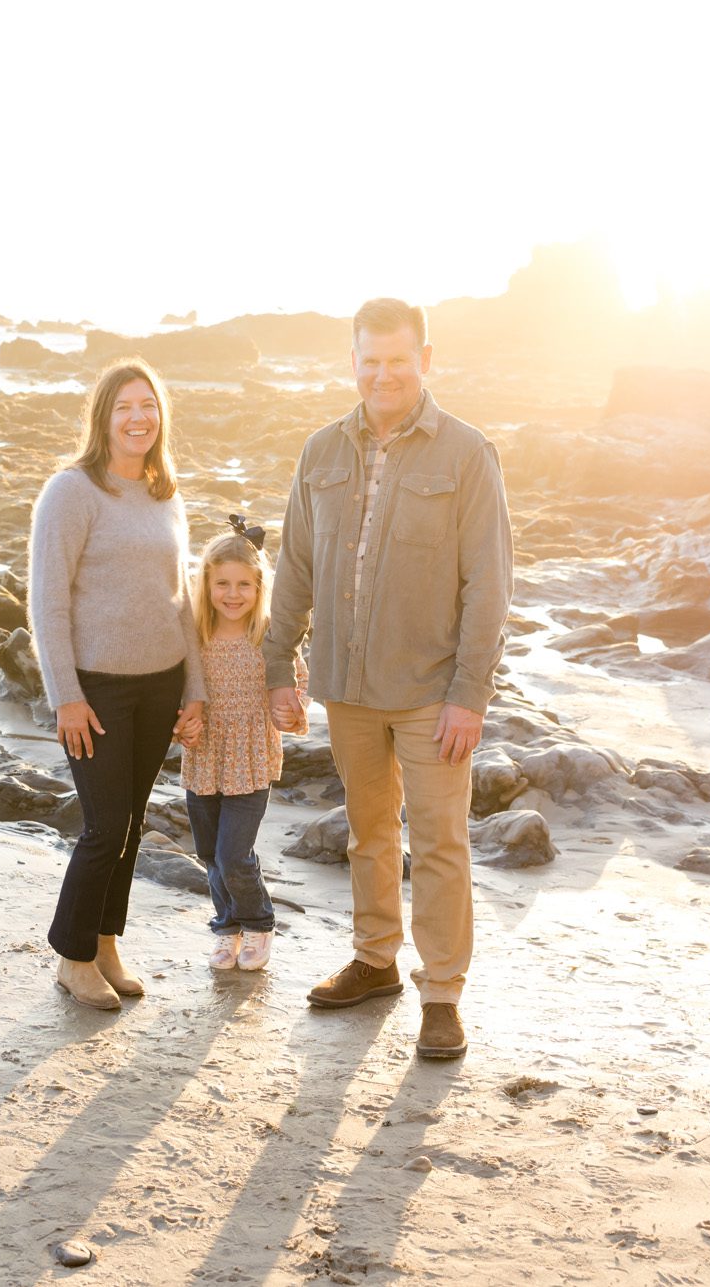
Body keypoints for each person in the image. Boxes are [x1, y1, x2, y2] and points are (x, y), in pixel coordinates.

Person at [263, 297, 513, 1059]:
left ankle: (442, 991)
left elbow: (489, 582)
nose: (383, 374)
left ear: (425, 360)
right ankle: (376, 960)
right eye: (369, 360)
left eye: (398, 360)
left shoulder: (468, 454)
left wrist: (471, 692)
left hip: (434, 692)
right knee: (368, 833)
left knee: (439, 842)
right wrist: (279, 663)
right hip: (348, 685)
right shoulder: (321, 452)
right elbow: (297, 566)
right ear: (354, 363)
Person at [28, 359, 207, 1010]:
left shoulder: (167, 495)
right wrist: (65, 695)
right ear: (104, 417)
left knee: (131, 825)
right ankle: (72, 956)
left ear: (162, 416)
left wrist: (197, 689)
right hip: (96, 691)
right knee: (104, 826)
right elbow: (47, 601)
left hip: (159, 685)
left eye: (149, 405)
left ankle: (104, 941)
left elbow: (181, 598)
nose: (138, 417)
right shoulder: (72, 491)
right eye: (125, 406)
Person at [181, 517, 306, 972]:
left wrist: (289, 712)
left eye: (244, 586)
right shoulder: (194, 636)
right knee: (209, 853)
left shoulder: (269, 636)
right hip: (204, 757)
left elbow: (295, 686)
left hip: (251, 759)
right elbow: (182, 694)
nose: (233, 595)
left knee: (234, 854)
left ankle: (258, 922)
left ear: (259, 588)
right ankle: (226, 927)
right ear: (206, 585)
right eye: (222, 584)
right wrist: (182, 726)